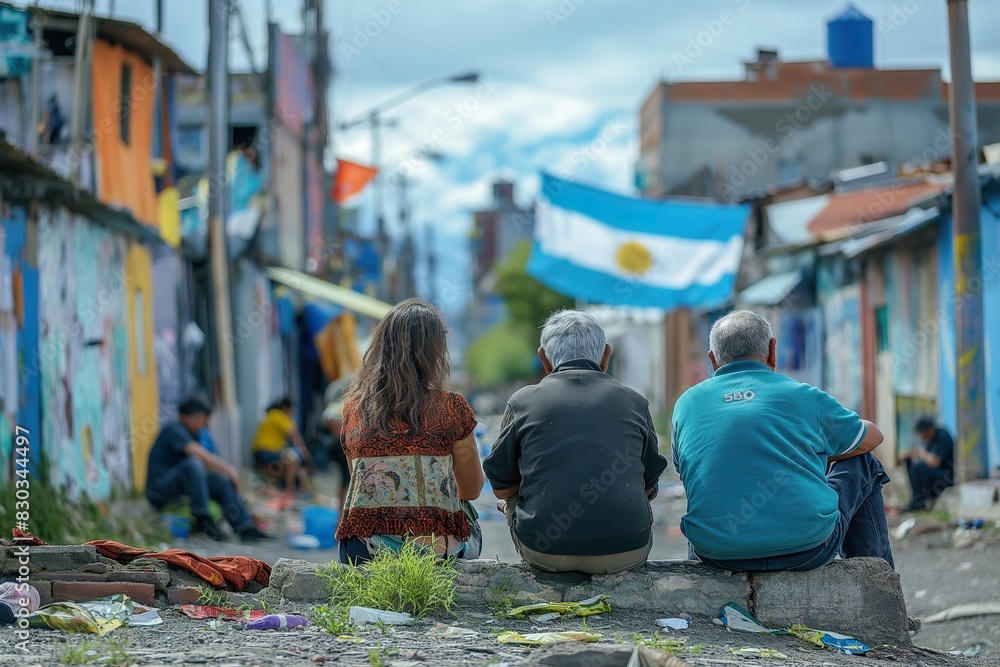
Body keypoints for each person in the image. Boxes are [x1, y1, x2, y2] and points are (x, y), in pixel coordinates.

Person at [671, 310, 893, 572]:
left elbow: (687, 466)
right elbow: (872, 437)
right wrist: (813, 453)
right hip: (808, 549)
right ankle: (876, 579)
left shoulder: (687, 404)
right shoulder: (804, 396)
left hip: (714, 554)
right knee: (864, 462)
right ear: (772, 351)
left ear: (713, 360)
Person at [483, 310, 669, 575]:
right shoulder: (634, 401)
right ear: (606, 356)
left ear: (544, 359)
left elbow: (501, 486)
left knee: (509, 500)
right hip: (627, 551)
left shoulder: (522, 402)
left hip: (545, 551)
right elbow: (649, 486)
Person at [335, 299, 484, 564]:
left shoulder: (353, 411)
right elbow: (471, 490)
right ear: (435, 352)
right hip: (437, 553)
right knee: (467, 514)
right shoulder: (452, 408)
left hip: (364, 553)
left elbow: (364, 484)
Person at [146, 396, 271, 542]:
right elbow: (199, 454)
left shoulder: (194, 434)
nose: (205, 424)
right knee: (194, 463)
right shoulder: (174, 430)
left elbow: (206, 466)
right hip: (159, 492)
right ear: (192, 416)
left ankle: (245, 526)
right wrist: (230, 470)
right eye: (203, 419)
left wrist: (227, 478)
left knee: (219, 481)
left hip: (180, 485)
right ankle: (203, 520)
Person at [251, 397, 313, 494]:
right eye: (292, 411)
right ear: (285, 408)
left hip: (258, 452)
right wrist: (305, 453)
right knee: (292, 461)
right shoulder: (280, 416)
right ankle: (288, 491)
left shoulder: (270, 415)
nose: (292, 414)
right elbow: (294, 436)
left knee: (283, 463)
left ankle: (275, 488)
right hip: (267, 451)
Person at [898, 417, 955, 512]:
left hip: (947, 478)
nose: (920, 436)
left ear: (930, 430)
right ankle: (916, 500)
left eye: (921, 433)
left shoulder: (942, 437)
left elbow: (934, 462)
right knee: (910, 463)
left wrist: (920, 452)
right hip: (936, 476)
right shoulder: (931, 439)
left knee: (918, 466)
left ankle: (919, 503)